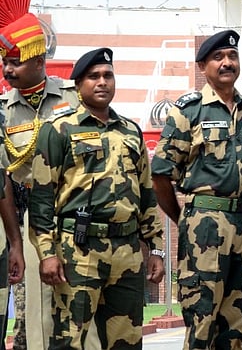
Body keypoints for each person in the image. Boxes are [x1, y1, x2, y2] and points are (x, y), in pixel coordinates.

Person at [29, 48, 166, 349]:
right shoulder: (58, 129)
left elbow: (146, 194)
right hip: (78, 251)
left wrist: (157, 249)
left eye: (108, 75)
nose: (102, 82)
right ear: (78, 86)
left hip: (127, 252)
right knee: (70, 339)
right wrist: (47, 253)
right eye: (93, 77)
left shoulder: (130, 132)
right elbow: (41, 199)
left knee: (127, 341)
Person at [151, 29, 242, 349]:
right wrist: (184, 219)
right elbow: (161, 175)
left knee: (240, 324)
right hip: (203, 226)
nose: (226, 62)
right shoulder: (188, 112)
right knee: (202, 320)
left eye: (232, 56)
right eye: (218, 57)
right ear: (203, 66)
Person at [0, 10, 75, 350]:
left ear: (38, 58)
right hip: (24, 217)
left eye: (14, 61)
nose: (7, 69)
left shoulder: (74, 99)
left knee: (77, 309)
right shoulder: (3, 110)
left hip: (71, 216)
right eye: (5, 62)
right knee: (32, 314)